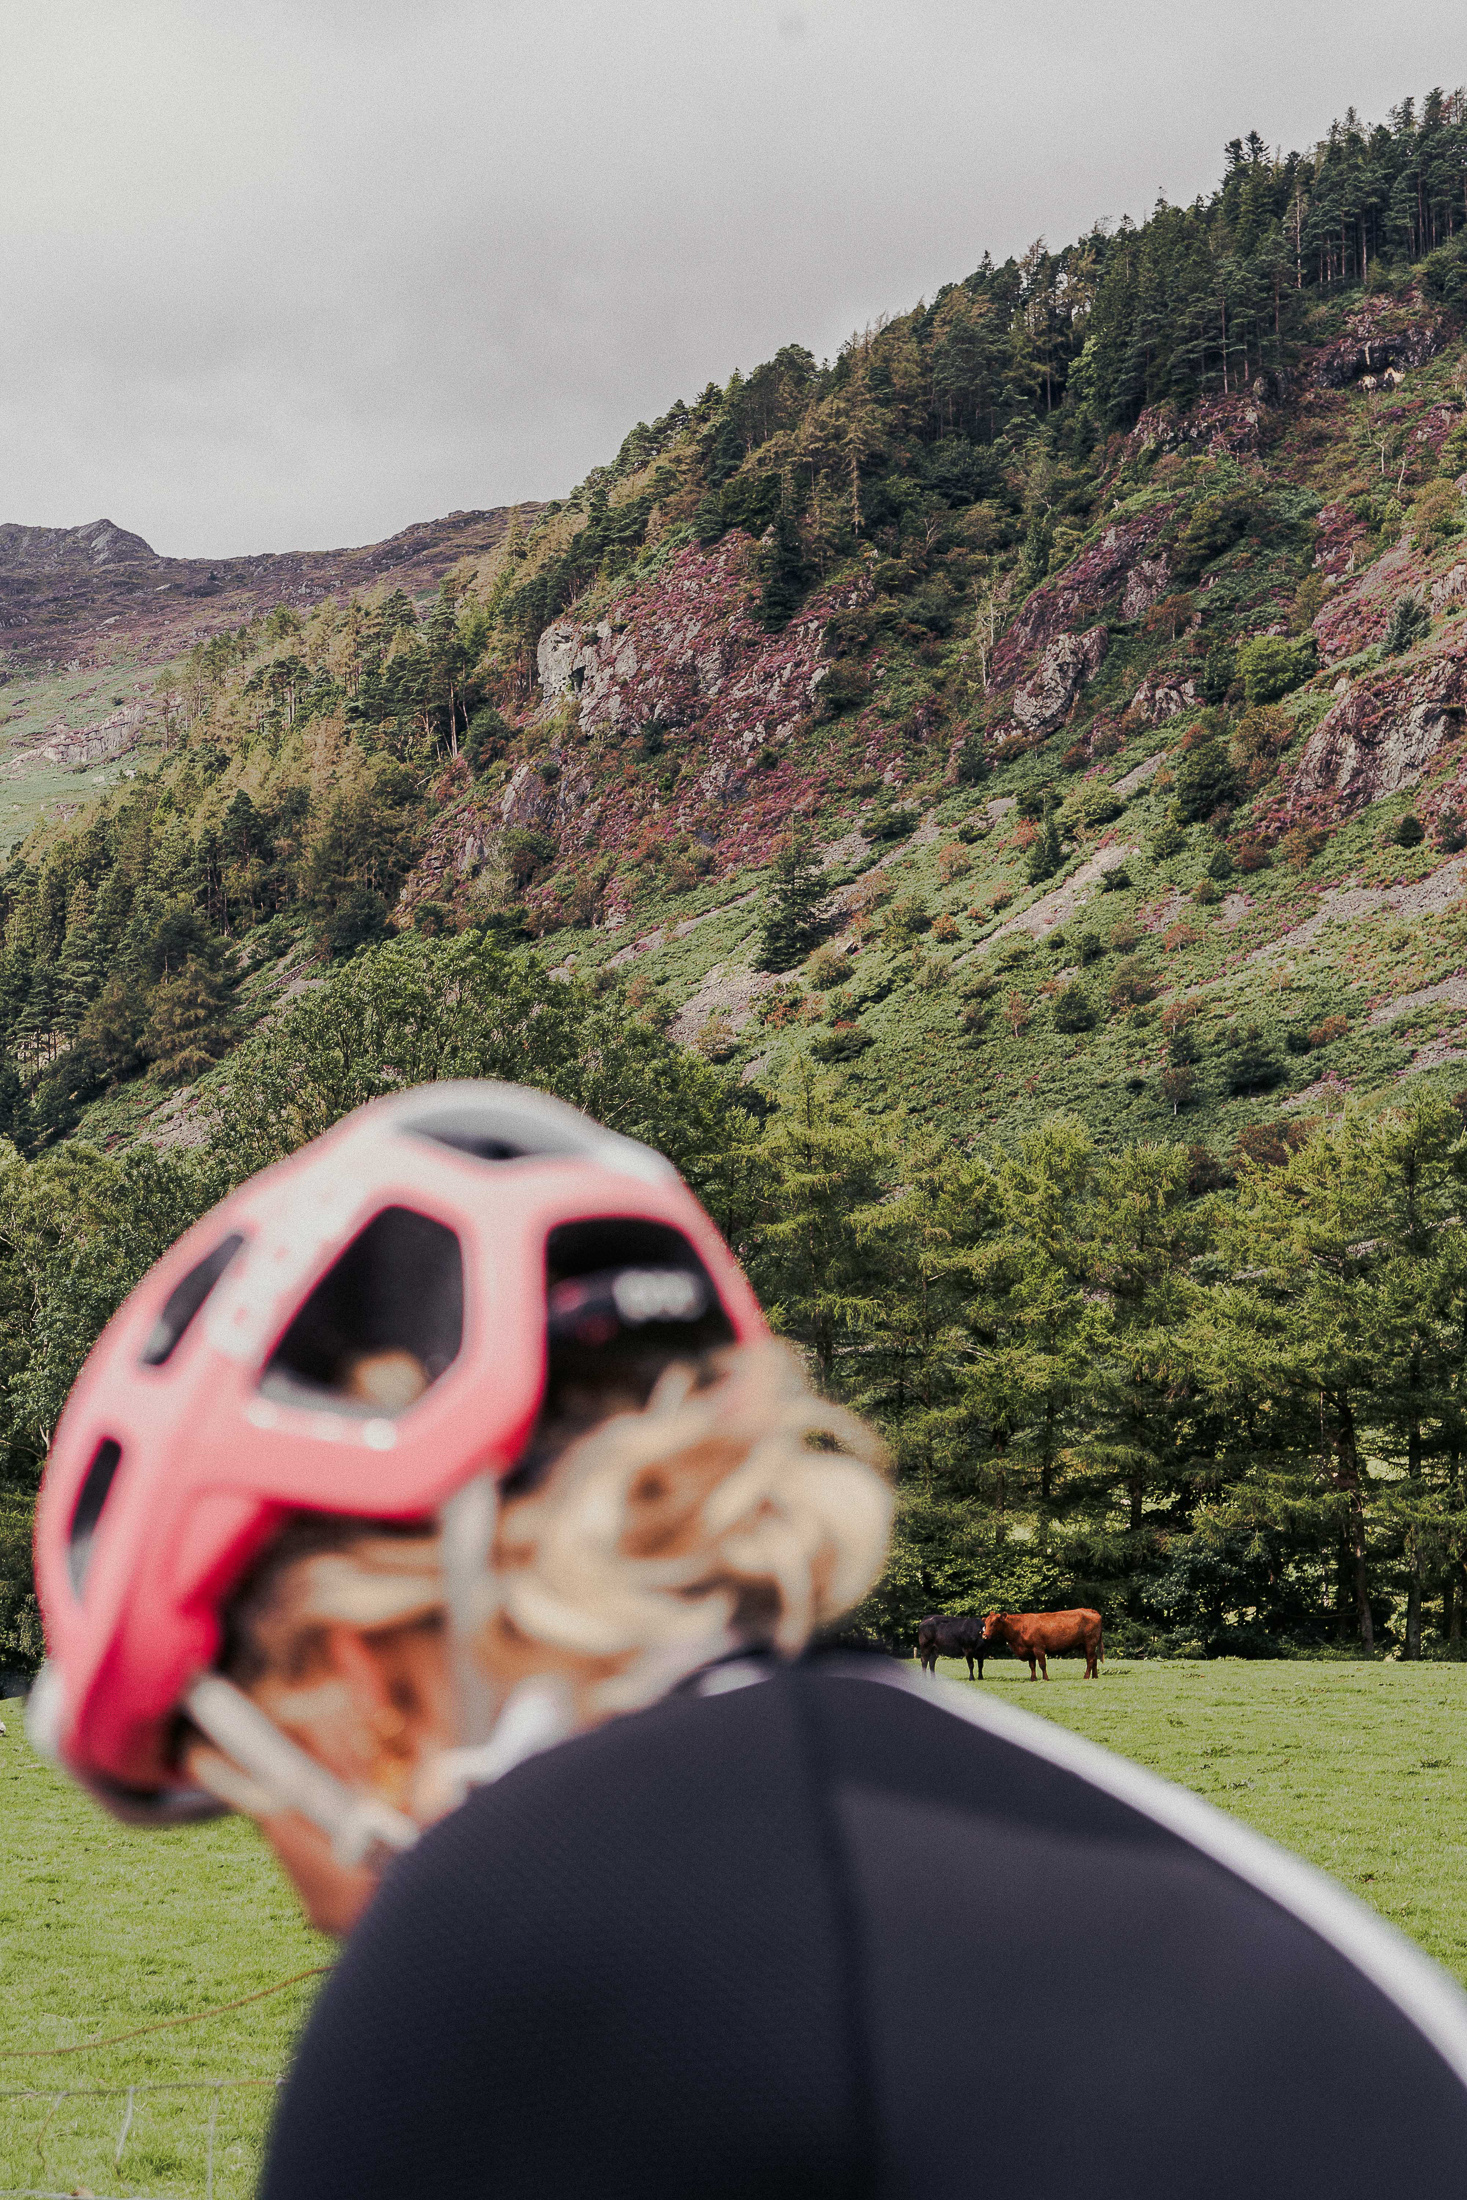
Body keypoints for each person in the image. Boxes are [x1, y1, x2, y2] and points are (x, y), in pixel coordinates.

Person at [31, 1078, 1467, 2198]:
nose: (315, 1910)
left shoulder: (509, 1937)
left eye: (252, 1778)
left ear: (353, 1674)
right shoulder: (1039, 1811)